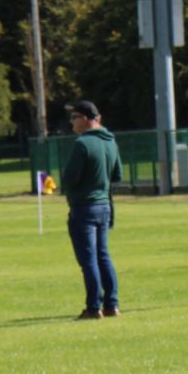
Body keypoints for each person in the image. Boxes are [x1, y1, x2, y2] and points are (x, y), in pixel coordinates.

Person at [60, 99, 122, 320]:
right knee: (103, 256)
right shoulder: (111, 141)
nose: (71, 123)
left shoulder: (82, 144)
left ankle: (93, 307)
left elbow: (70, 178)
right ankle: (112, 304)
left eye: (74, 118)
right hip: (104, 205)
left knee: (89, 260)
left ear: (85, 119)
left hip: (84, 207)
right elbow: (117, 175)